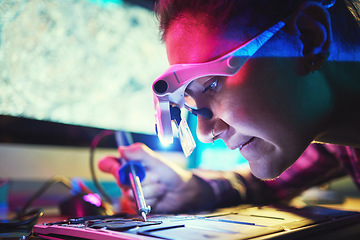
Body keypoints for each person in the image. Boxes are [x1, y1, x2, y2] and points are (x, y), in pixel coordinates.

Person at [99, 0, 360, 214]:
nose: (204, 133)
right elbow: (264, 185)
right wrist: (192, 189)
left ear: (310, 38)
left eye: (212, 84)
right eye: (191, 101)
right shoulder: (337, 142)